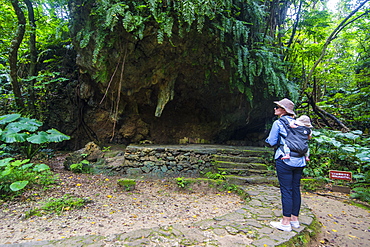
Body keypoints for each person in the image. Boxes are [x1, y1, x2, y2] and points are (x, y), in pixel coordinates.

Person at [265, 98, 307, 232]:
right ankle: (295, 220)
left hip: (285, 160)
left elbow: (271, 141)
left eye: (277, 107)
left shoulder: (278, 123)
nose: (275, 109)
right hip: (300, 160)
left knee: (286, 190)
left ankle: (285, 222)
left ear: (283, 110)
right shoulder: (299, 123)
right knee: (295, 188)